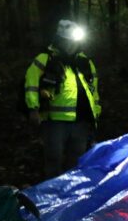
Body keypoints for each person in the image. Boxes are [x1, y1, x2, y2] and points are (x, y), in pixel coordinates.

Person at [24, 19, 101, 177]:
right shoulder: (45, 59)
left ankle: (71, 195)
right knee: (54, 159)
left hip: (80, 120)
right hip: (55, 121)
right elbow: (31, 84)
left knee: (77, 160)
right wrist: (33, 109)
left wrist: (96, 113)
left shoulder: (84, 62)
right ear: (61, 40)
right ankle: (51, 193)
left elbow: (94, 90)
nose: (71, 45)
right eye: (68, 41)